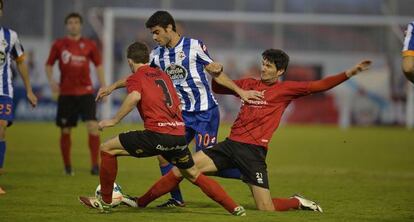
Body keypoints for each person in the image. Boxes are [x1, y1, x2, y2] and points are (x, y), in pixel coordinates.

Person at [121, 49, 371, 212]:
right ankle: (140, 203)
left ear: (280, 71)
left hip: (253, 153)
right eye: (263, 64)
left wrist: (350, 72)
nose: (264, 69)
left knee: (266, 209)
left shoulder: (287, 89)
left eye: (269, 66)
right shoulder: (250, 83)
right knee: (182, 169)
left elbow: (319, 85)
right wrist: (216, 75)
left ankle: (298, 201)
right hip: (230, 145)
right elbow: (219, 89)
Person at [78, 41, 246, 216]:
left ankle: (105, 201)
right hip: (178, 135)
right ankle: (234, 207)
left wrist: (113, 120)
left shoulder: (137, 77)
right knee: (193, 173)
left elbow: (134, 96)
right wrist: (112, 87)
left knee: (107, 149)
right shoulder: (162, 75)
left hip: (156, 135)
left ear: (130, 62)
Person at [145, 10, 262, 207]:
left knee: (206, 165)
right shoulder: (156, 55)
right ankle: (176, 200)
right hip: (181, 116)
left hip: (205, 114)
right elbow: (142, 76)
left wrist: (240, 91)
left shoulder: (194, 46)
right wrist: (114, 87)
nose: (154, 37)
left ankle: (247, 174)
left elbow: (215, 72)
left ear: (169, 28)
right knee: (164, 155)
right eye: (152, 34)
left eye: (157, 32)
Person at [45, 12, 106, 175]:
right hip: (66, 93)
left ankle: (95, 166)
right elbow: (49, 64)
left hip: (86, 92)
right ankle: (67, 167)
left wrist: (104, 86)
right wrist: (51, 81)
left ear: (80, 25)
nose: (73, 25)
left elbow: (99, 65)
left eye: (76, 22)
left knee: (93, 126)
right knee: (65, 130)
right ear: (67, 25)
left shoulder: (89, 45)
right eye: (70, 22)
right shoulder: (59, 44)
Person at [0, 0, 38, 194]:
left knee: (1, 128)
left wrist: (29, 90)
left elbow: (21, 62)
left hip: (4, 91)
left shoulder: (10, 36)